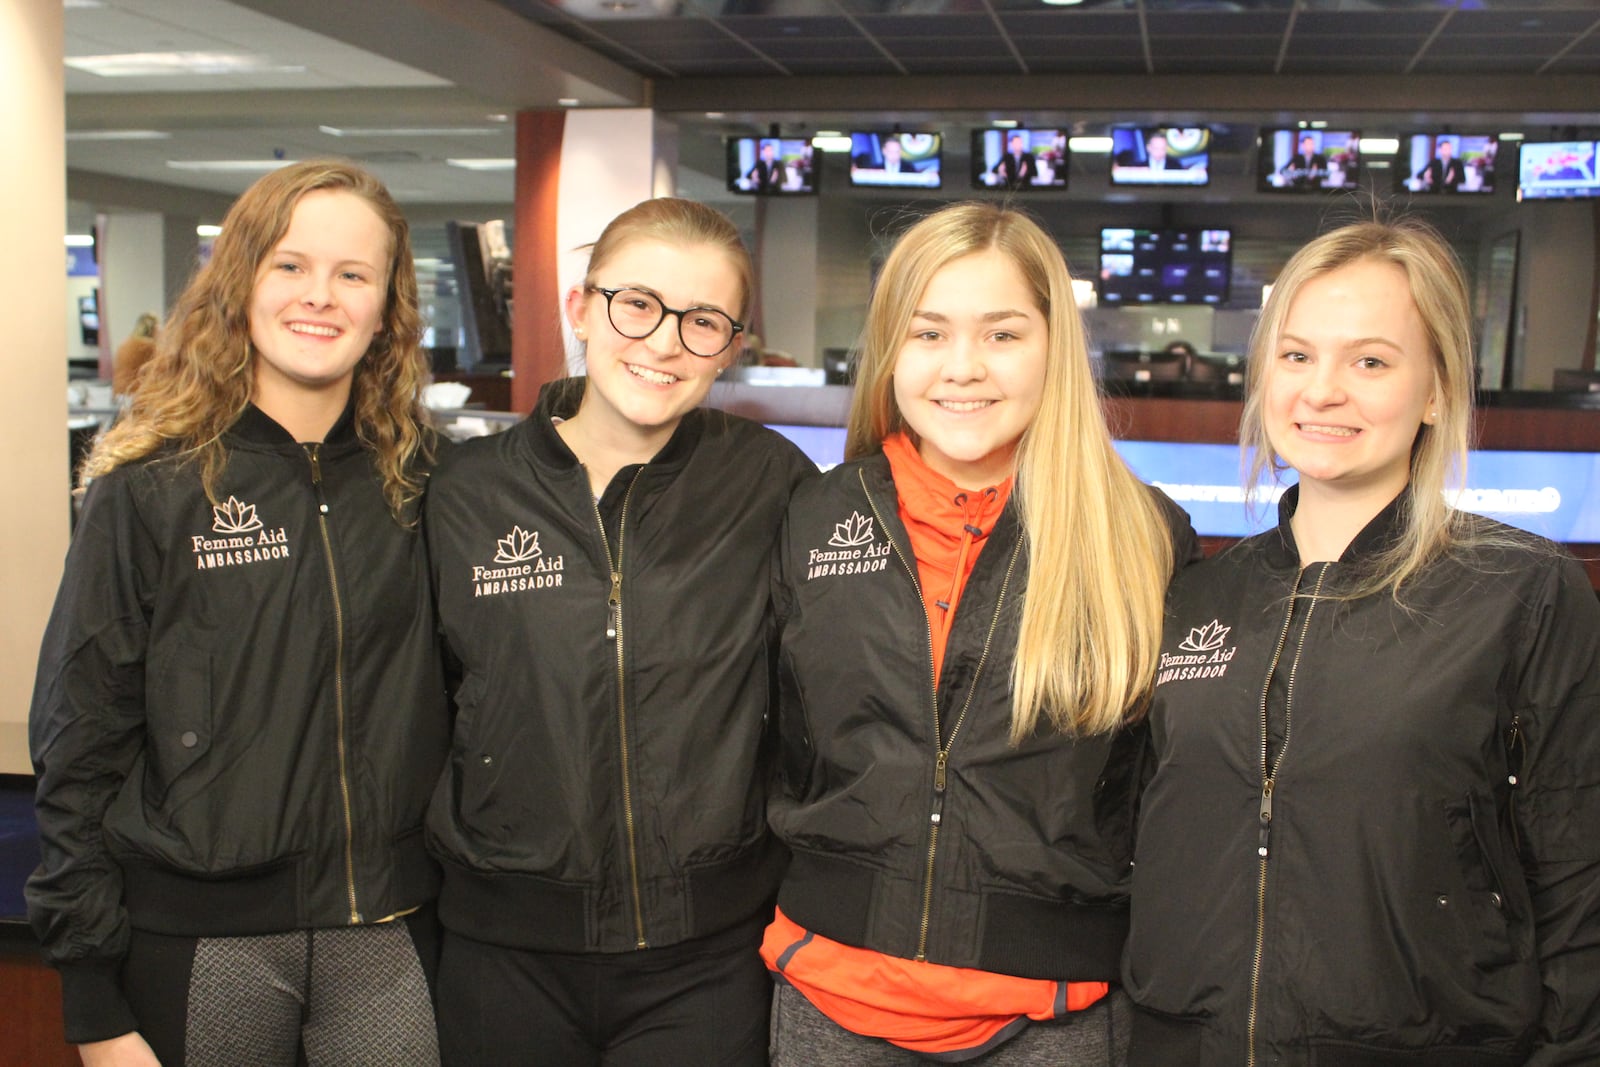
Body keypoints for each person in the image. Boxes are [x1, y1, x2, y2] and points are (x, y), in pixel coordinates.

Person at [1124, 219, 1600, 1065]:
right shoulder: (1195, 594)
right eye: (1297, 355)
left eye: (1370, 361)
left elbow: (1579, 877)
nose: (1322, 391)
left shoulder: (1521, 591)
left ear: (1435, 391)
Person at [27, 160, 449, 1066]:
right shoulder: (150, 488)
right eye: (290, 265)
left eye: (353, 274)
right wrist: (92, 999)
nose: (320, 297)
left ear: (387, 306)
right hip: (202, 939)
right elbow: (79, 739)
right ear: (241, 283)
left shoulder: (424, 484)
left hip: (386, 931)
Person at [763, 202, 1198, 1064]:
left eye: (1001, 334)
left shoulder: (1144, 537)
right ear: (891, 349)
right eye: (929, 334)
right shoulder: (815, 516)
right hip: (831, 995)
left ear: (1053, 347)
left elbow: (1166, 790)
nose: (963, 368)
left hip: (1051, 1013)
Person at [423, 197, 815, 1066]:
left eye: (703, 320)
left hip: (708, 958)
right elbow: (418, 711)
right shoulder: (462, 494)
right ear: (581, 307)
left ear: (733, 344)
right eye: (637, 304)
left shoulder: (771, 484)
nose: (665, 341)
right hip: (503, 950)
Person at [111, 312, 160, 396]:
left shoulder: (126, 344)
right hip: (135, 394)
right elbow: (161, 370)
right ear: (153, 329)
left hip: (119, 393)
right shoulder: (148, 346)